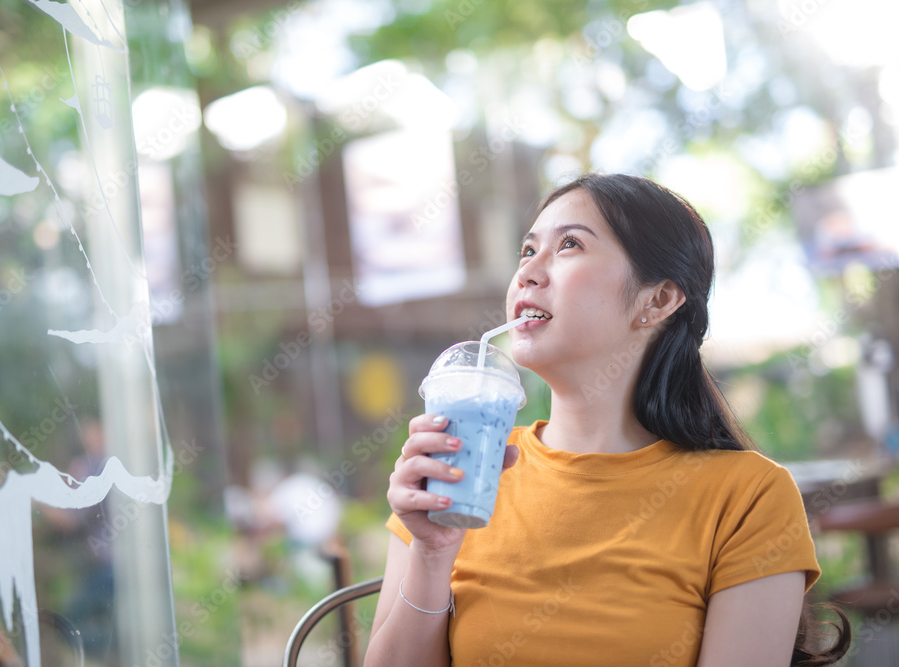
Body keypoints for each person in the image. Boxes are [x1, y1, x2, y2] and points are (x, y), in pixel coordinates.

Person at [364, 173, 851, 666]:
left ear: (658, 300)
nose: (529, 273)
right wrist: (431, 556)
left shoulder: (749, 498)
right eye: (527, 251)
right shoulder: (457, 474)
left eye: (570, 244)